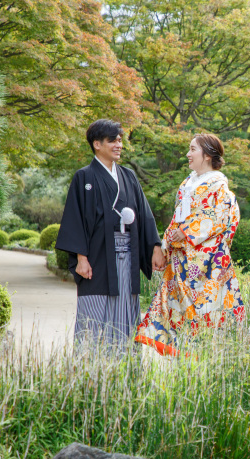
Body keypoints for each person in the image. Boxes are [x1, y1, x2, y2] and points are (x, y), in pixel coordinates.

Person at [56, 119, 165, 351]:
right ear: (97, 144)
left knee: (126, 306)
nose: (119, 144)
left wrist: (155, 245)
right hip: (96, 255)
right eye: (113, 140)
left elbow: (144, 213)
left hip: (128, 254)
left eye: (120, 140)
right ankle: (90, 369)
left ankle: (125, 371)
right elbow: (75, 219)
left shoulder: (129, 176)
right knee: (94, 307)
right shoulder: (84, 177)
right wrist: (81, 258)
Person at [135, 133, 244, 356]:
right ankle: (183, 356)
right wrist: (166, 245)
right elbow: (178, 217)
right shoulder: (188, 182)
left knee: (203, 309)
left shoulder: (218, 185)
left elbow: (221, 219)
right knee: (178, 306)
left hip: (205, 262)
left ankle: (200, 357)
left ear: (207, 155)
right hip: (181, 257)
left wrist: (185, 232)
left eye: (193, 149)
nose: (188, 154)